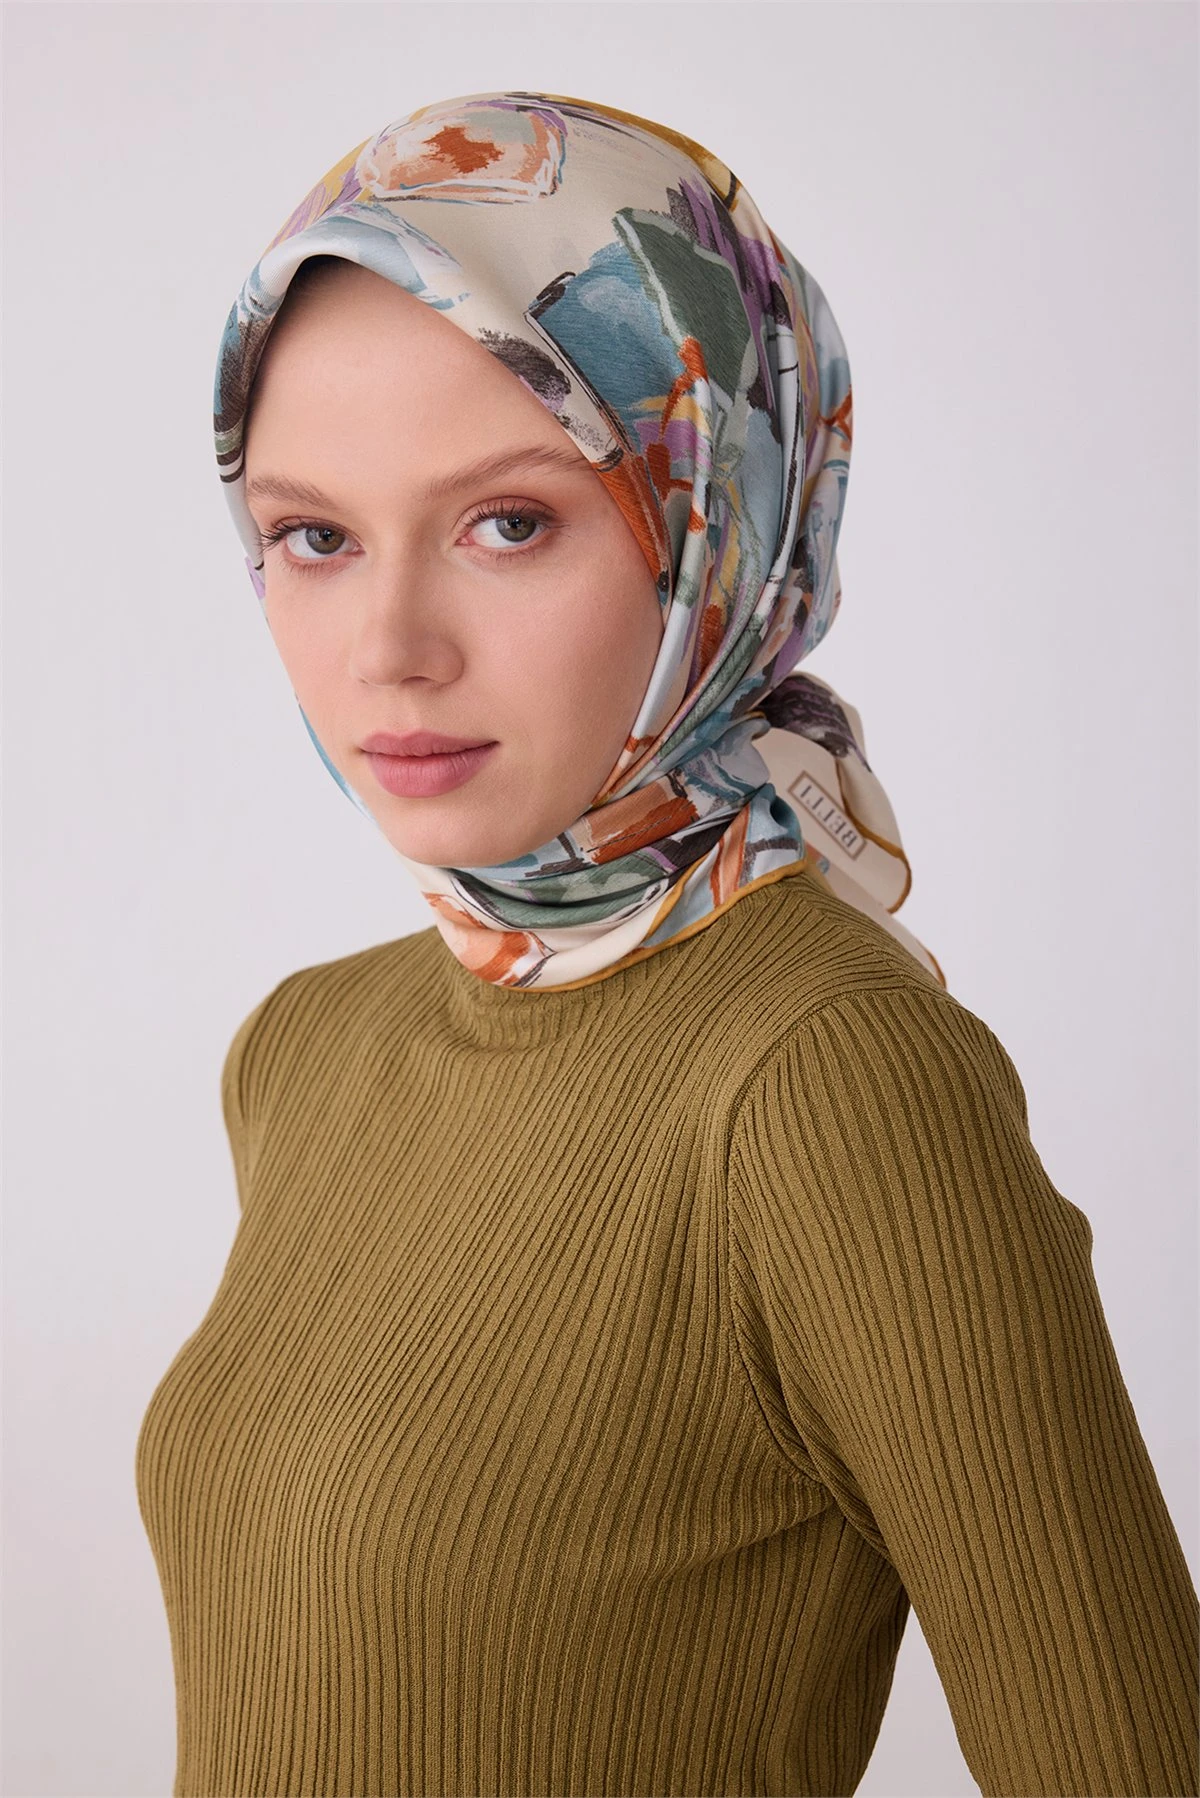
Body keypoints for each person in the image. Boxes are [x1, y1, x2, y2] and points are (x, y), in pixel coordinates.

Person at [135, 90, 1200, 1798]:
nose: (389, 645)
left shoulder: (828, 1079)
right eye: (313, 536)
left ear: (718, 524)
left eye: (510, 521)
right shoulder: (307, 1050)